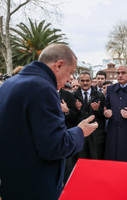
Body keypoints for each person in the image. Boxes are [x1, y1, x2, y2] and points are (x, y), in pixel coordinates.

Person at [0, 44, 98, 200]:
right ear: (59, 65)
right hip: (36, 186)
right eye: (70, 73)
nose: (69, 80)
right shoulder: (43, 88)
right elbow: (54, 146)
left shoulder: (8, 84)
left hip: (11, 183)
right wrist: (80, 131)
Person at [73, 71, 106, 160]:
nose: (85, 83)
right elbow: (71, 117)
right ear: (79, 81)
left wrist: (97, 110)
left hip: (96, 135)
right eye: (83, 81)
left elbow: (104, 116)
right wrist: (77, 109)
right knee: (81, 162)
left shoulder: (100, 95)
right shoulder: (73, 96)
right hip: (80, 135)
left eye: (87, 80)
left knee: (95, 163)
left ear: (91, 81)